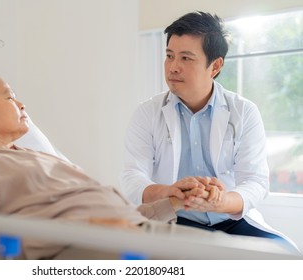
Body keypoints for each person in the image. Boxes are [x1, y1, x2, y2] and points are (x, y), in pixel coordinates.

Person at [0, 73, 220, 260]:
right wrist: (84, 230)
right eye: (10, 97)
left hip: (133, 229)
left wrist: (174, 202)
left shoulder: (42, 156)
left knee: (241, 255)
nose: (21, 104)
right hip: (78, 245)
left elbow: (118, 216)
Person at [120, 11, 299, 250]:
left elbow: (255, 181)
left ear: (215, 66)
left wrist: (221, 202)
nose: (173, 67)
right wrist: (169, 191)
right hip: (176, 220)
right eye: (169, 56)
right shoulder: (147, 113)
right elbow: (132, 178)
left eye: (186, 58)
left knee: (285, 255)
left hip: (231, 220)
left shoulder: (244, 112)